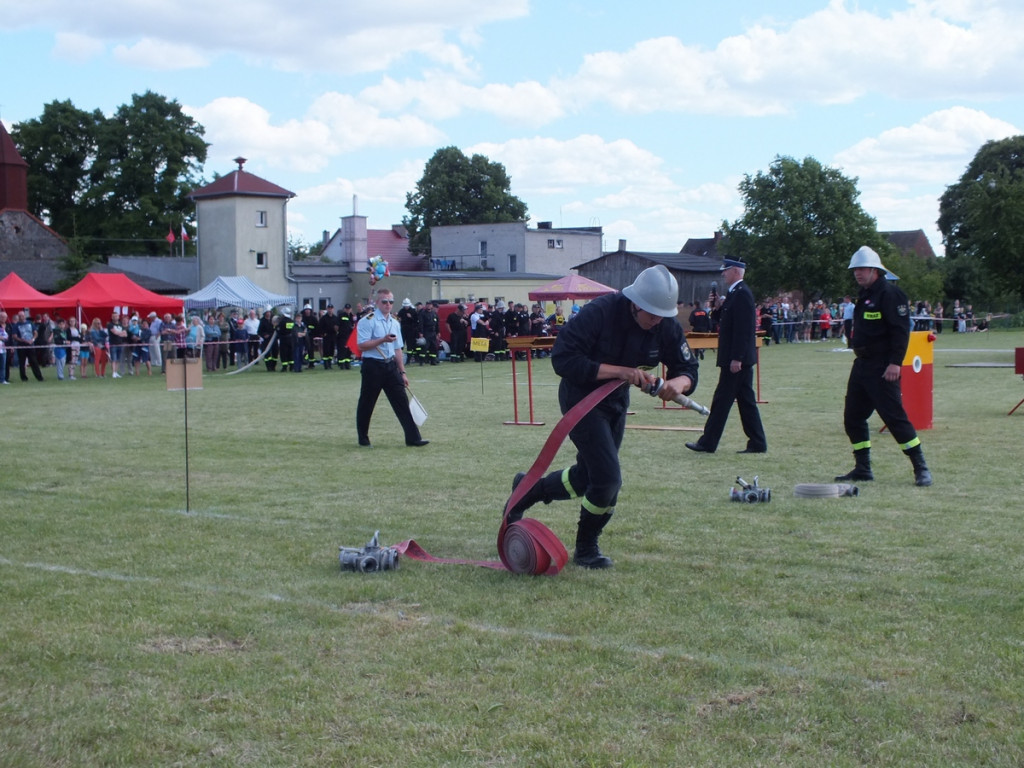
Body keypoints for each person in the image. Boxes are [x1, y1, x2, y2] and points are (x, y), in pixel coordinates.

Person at [505, 264, 699, 569]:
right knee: (608, 479)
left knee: (588, 477)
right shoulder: (601, 312)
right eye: (652, 315)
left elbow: (687, 368)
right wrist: (620, 371)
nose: (657, 322)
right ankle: (586, 548)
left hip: (615, 402)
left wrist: (678, 384)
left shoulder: (665, 324)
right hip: (581, 398)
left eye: (663, 316)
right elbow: (563, 359)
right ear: (636, 304)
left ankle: (528, 489)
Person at [835, 246, 932, 487]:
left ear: (875, 270)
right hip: (862, 365)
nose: (858, 273)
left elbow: (900, 332)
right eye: (855, 269)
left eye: (862, 269)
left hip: (883, 366)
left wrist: (895, 363)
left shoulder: (890, 294)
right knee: (853, 418)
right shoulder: (864, 294)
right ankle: (863, 467)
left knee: (895, 418)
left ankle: (920, 467)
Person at [686, 258, 767, 455]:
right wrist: (715, 309)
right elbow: (724, 320)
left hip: (736, 359)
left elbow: (743, 330)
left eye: (726, 270)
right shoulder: (734, 294)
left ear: (736, 271)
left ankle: (708, 442)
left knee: (722, 400)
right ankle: (757, 442)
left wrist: (737, 357)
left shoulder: (742, 294)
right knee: (746, 402)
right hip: (735, 358)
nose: (723, 274)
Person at [355, 290, 428, 448]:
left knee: (401, 401)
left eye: (391, 302)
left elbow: (397, 349)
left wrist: (402, 372)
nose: (388, 305)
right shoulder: (368, 321)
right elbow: (361, 345)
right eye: (384, 302)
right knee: (367, 403)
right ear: (377, 303)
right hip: (373, 366)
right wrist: (382, 340)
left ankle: (413, 438)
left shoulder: (395, 322)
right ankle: (363, 438)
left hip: (390, 366)